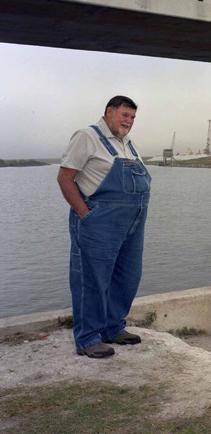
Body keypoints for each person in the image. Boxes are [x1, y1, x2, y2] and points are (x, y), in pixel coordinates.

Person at [58, 96, 151, 359]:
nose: (129, 122)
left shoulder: (128, 144)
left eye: (132, 117)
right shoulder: (88, 136)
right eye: (124, 115)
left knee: (127, 277)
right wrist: (85, 215)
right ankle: (88, 338)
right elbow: (65, 177)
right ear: (109, 112)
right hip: (98, 224)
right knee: (91, 279)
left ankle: (112, 327)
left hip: (132, 226)